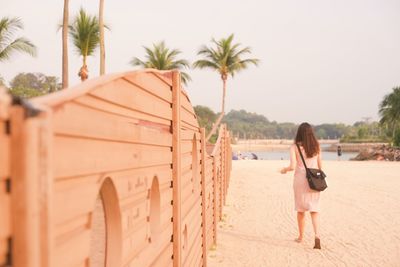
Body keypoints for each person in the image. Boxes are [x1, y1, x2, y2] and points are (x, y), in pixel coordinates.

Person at [280, 122, 323, 249]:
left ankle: (301, 237)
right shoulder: (317, 145)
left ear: (299, 132)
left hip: (300, 180)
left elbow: (293, 166)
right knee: (314, 209)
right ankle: (317, 235)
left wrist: (284, 170)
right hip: (315, 179)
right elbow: (320, 166)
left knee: (301, 210)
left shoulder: (295, 147)